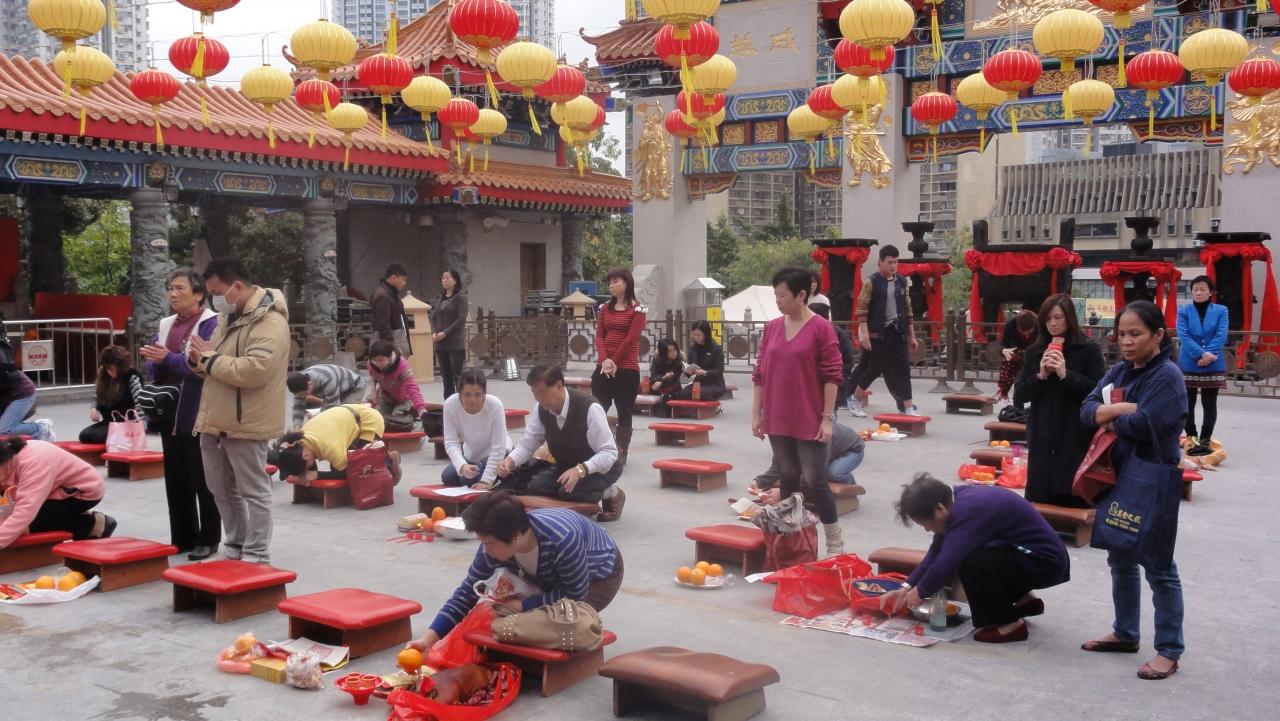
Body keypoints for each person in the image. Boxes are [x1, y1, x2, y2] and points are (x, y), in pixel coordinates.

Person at [1079, 300, 1187, 681]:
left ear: (1158, 335)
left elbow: (1148, 424)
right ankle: (1125, 632)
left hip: (1153, 477)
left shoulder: (1167, 377)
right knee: (1120, 554)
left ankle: (1169, 649)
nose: (1126, 341)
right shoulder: (1119, 370)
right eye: (1121, 333)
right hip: (1118, 474)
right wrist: (1122, 411)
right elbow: (1087, 409)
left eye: (1135, 334)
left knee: (1158, 565)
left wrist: (1111, 418)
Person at [406, 494, 623, 653]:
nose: (485, 550)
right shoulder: (494, 544)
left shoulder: (562, 539)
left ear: (517, 536)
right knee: (501, 617)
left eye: (489, 543)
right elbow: (466, 592)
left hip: (598, 578)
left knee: (551, 621)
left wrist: (525, 606)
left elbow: (574, 593)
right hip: (545, 579)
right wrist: (428, 640)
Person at [879, 474, 1070, 644]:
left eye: (925, 523)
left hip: (1045, 564)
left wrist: (920, 593)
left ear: (939, 508)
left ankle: (1010, 624)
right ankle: (1024, 600)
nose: (927, 529)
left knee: (970, 561)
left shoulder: (968, 512)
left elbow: (945, 564)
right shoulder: (955, 502)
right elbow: (936, 552)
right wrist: (906, 587)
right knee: (975, 553)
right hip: (1033, 557)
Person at [189, 257, 290, 566]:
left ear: (237, 286)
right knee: (219, 488)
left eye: (217, 293)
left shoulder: (270, 320)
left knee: (253, 491)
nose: (215, 300)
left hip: (248, 421)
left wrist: (207, 359)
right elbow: (215, 363)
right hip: (215, 419)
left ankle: (256, 553)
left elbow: (255, 370)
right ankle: (234, 544)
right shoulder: (228, 317)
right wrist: (198, 361)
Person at [752, 267, 845, 556]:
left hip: (809, 415)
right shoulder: (772, 327)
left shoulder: (821, 328)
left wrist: (826, 419)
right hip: (778, 414)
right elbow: (760, 374)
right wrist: (757, 414)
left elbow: (832, 376)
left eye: (782, 296)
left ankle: (835, 543)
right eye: (775, 295)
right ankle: (787, 539)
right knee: (788, 475)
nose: (777, 301)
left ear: (801, 295)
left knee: (816, 480)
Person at [139, 268, 222, 561]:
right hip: (168, 410)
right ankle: (183, 537)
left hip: (197, 409)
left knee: (202, 478)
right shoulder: (166, 324)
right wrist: (154, 360)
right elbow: (154, 367)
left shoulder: (212, 324)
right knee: (175, 477)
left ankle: (209, 538)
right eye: (170, 288)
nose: (172, 294)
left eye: (179, 288)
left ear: (199, 294)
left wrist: (168, 358)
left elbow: (203, 369)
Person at [497, 364, 625, 521]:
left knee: (570, 492)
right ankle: (577, 503)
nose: (538, 399)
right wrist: (511, 461)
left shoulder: (590, 408)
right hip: (566, 466)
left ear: (559, 385)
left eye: (542, 393)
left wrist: (580, 470)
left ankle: (612, 492)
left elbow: (609, 452)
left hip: (603, 468)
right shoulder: (541, 409)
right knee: (535, 487)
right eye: (534, 394)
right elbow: (528, 444)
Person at [1014, 294, 1105, 508]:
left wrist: (1066, 375)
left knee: (1071, 493)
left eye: (1058, 318)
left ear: (1069, 318)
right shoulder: (1035, 351)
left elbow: (1098, 392)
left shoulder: (1088, 349)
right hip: (1042, 432)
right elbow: (1020, 394)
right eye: (1047, 319)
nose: (1052, 324)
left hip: (1075, 433)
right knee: (1040, 498)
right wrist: (1040, 376)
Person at [0, 438, 116, 549]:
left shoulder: (34, 462)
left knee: (31, 523)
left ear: (5, 463)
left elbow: (25, 512)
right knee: (11, 519)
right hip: (55, 489)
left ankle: (92, 524)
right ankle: (68, 516)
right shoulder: (9, 456)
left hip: (84, 492)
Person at [847, 245, 920, 418]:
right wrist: (865, 335)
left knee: (903, 368)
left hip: (898, 331)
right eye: (889, 262)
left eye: (896, 262)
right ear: (880, 262)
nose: (893, 266)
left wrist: (912, 336)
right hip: (877, 333)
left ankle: (908, 406)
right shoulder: (871, 282)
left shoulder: (902, 281)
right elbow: (862, 312)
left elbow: (908, 310)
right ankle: (854, 399)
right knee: (874, 368)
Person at [592, 268, 645, 467]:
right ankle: (599, 446)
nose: (611, 286)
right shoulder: (605, 308)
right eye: (610, 282)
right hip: (604, 367)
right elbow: (599, 335)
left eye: (615, 282)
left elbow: (631, 338)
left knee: (624, 409)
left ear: (626, 283)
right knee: (598, 408)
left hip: (627, 368)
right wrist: (605, 359)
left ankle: (621, 450)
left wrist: (613, 360)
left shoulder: (637, 310)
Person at [274, 403, 400, 483]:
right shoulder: (298, 441)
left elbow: (349, 473)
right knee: (336, 466)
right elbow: (307, 460)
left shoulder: (329, 447)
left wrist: (317, 475)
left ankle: (389, 461)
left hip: (368, 421)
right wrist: (306, 474)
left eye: (303, 469)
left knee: (360, 465)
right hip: (347, 418)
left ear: (305, 455)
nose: (304, 472)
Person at [1176, 275, 1228, 454]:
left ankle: (1205, 441)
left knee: (1209, 403)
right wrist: (1200, 353)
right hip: (1189, 362)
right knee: (1186, 403)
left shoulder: (1221, 310)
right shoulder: (1184, 311)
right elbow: (1183, 335)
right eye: (1195, 289)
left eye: (1203, 289)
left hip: (1213, 362)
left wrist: (1208, 355)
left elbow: (1221, 334)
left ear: (1211, 292)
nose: (1198, 292)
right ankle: (1193, 438)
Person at [751, 420, 865, 499]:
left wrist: (783, 491)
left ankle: (851, 487)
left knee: (832, 473)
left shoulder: (817, 435)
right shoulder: (786, 436)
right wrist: (758, 482)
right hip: (831, 453)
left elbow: (815, 474)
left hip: (852, 450)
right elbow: (777, 467)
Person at [441, 368, 511, 489]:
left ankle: (498, 477)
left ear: (484, 393)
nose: (472, 400)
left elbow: (498, 447)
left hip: (498, 453)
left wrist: (486, 481)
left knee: (469, 480)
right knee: (448, 477)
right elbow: (451, 442)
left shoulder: (495, 405)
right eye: (467, 394)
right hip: (472, 455)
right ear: (459, 393)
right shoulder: (450, 404)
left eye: (478, 394)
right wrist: (462, 465)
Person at [78, 346, 144, 444]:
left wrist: (140, 427)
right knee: (84, 435)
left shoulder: (132, 376)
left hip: (126, 422)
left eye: (113, 369)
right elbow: (97, 397)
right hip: (109, 421)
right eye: (109, 369)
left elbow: (140, 403)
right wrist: (94, 409)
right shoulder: (104, 375)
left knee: (98, 436)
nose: (111, 372)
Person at [368, 340, 429, 432]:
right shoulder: (371, 364)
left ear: (389, 357)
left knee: (397, 420)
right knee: (377, 419)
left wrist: (421, 409)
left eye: (381, 360)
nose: (378, 364)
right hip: (386, 397)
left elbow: (412, 388)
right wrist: (373, 391)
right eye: (375, 360)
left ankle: (411, 417)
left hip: (404, 399)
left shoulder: (402, 365)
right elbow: (373, 376)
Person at [287, 364, 368, 430]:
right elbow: (298, 407)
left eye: (303, 395)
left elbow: (330, 411)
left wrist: (314, 421)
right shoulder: (299, 381)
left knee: (344, 415)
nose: (302, 397)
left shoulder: (327, 379)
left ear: (309, 385)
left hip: (354, 387)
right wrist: (297, 430)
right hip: (338, 387)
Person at [810, 302, 856, 415]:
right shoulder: (807, 333)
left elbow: (847, 361)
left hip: (833, 385)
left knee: (828, 418)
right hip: (811, 386)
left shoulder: (839, 334)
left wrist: (839, 381)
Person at [431, 269, 469, 399]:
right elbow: (434, 317)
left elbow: (461, 319)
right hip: (441, 343)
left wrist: (446, 333)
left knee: (457, 375)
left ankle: (462, 401)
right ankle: (448, 403)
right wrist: (434, 332)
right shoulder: (439, 297)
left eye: (447, 278)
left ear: (455, 280)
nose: (444, 280)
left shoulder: (461, 297)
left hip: (455, 343)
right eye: (443, 278)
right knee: (445, 376)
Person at [673, 320, 726, 402]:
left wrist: (705, 372)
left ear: (706, 335)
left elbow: (719, 371)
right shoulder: (693, 349)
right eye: (694, 334)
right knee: (682, 394)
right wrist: (686, 371)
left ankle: (714, 406)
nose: (696, 337)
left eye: (699, 335)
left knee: (700, 393)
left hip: (715, 384)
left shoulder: (716, 349)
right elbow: (690, 369)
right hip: (699, 383)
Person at [0, 361, 54, 441]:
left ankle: (41, 428)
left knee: (4, 430)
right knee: (5, 426)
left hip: (22, 392)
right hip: (8, 393)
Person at [997, 309, 1038, 408]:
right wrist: (1003, 350)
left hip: (1036, 359)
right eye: (1023, 333)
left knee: (1036, 387)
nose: (1026, 335)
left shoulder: (1040, 324)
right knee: (1018, 385)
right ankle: (1018, 412)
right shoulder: (1010, 325)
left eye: (1029, 332)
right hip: (1017, 360)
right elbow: (1003, 344)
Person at [370, 263, 412, 357]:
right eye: (403, 279)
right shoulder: (383, 296)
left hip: (393, 344)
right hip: (388, 348)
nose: (404, 283)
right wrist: (391, 349)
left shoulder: (391, 294)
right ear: (393, 278)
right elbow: (383, 325)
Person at [647, 338, 685, 417]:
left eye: (674, 349)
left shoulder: (679, 360)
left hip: (671, 385)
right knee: (644, 385)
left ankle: (666, 403)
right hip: (657, 385)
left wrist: (662, 380)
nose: (673, 353)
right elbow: (653, 376)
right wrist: (663, 378)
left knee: (674, 388)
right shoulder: (657, 360)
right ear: (664, 352)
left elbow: (675, 378)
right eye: (670, 351)